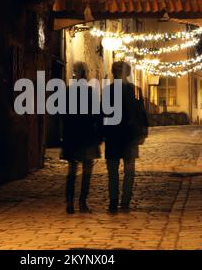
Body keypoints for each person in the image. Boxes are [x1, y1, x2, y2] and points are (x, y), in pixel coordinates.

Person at [103, 61, 149, 214]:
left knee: (113, 171)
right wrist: (143, 131)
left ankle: (113, 201)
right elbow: (142, 113)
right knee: (129, 171)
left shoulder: (108, 90)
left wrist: (102, 132)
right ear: (128, 73)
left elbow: (103, 113)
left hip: (113, 136)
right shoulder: (135, 90)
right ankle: (125, 202)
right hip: (129, 136)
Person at [62, 62, 102, 214]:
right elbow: (97, 115)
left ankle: (70, 202)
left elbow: (63, 116)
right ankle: (82, 202)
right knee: (86, 171)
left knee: (72, 171)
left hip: (73, 136)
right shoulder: (90, 92)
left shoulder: (67, 91)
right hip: (87, 136)